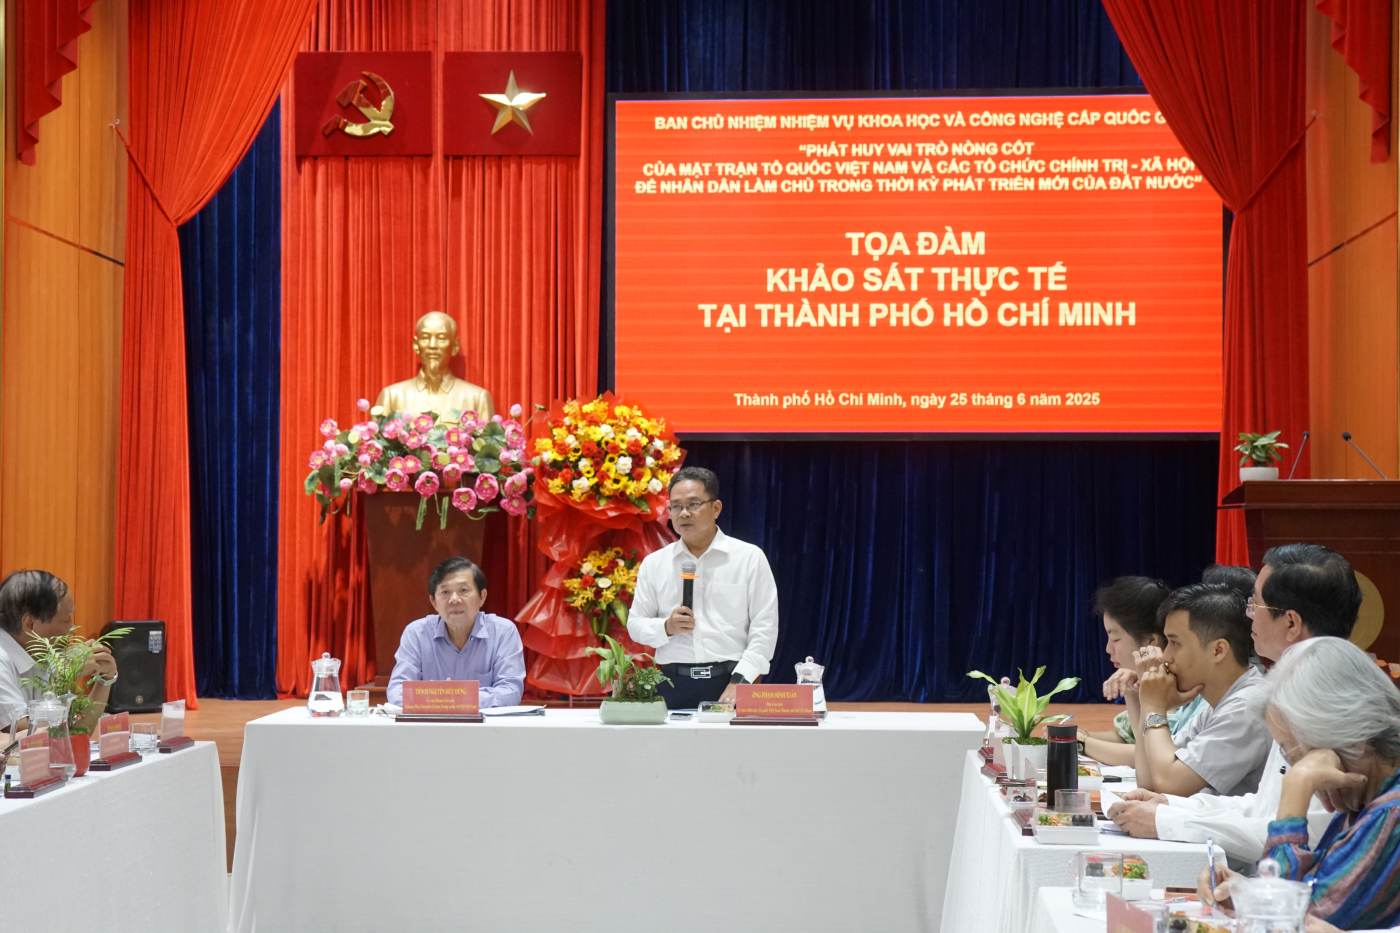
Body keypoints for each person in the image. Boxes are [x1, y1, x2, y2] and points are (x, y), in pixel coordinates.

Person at [1110, 543, 1361, 861]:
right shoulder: (1296, 683)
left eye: (1255, 604)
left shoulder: (1326, 698)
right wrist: (1173, 806)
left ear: (1291, 623)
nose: (1249, 615)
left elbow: (1292, 836)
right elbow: (1263, 806)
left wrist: (1167, 820)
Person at [1199, 637, 1400, 930]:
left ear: (1350, 735)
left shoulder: (1391, 814)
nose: (1297, 768)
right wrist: (1247, 892)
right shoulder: (1365, 802)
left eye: (1298, 754)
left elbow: (1295, 924)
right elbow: (1309, 896)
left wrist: (1297, 789)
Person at [627, 467, 779, 709]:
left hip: (731, 682)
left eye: (693, 504)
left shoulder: (748, 557)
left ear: (716, 508)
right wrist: (666, 626)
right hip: (672, 684)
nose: (684, 513)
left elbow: (765, 628)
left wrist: (741, 680)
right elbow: (635, 626)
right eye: (676, 506)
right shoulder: (654, 563)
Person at [1132, 582, 1272, 797]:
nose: (1166, 656)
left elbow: (1169, 783)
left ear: (1218, 650)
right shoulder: (1217, 703)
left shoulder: (1247, 706)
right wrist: (1148, 703)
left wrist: (1154, 707)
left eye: (1174, 643)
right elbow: (1148, 779)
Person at [1081, 575, 1200, 767]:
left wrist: (1079, 743)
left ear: (1151, 642)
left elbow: (1151, 758)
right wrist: (1132, 692)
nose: (1108, 649)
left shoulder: (1191, 689)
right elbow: (1134, 741)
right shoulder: (1147, 680)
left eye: (1116, 639)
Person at [386, 557, 524, 708]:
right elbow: (397, 691)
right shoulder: (417, 633)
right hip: (430, 728)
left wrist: (452, 698)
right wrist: (454, 699)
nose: (454, 599)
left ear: (482, 597)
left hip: (484, 729)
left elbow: (511, 692)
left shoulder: (503, 632)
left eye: (463, 590)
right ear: (434, 602)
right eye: (445, 592)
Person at [0, 569, 118, 734]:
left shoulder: (41, 651)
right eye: (66, 619)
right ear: (29, 623)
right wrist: (63, 677)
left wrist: (105, 680)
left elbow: (77, 732)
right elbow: (24, 739)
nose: (72, 628)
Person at [374, 311, 494, 423]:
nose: (432, 345)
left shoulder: (477, 398)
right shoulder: (392, 396)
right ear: (416, 345)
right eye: (425, 337)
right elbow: (376, 442)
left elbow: (488, 444)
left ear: (455, 346)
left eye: (441, 338)